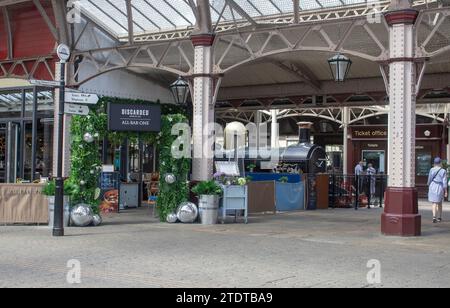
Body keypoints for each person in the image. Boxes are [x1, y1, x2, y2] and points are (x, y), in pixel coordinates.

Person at [427, 157, 448, 223]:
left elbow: (429, 179)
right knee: (439, 203)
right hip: (439, 187)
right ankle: (439, 217)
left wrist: (428, 185)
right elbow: (444, 182)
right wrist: (446, 191)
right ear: (440, 163)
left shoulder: (431, 170)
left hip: (432, 186)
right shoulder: (443, 171)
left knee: (434, 203)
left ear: (434, 163)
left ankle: (434, 217)